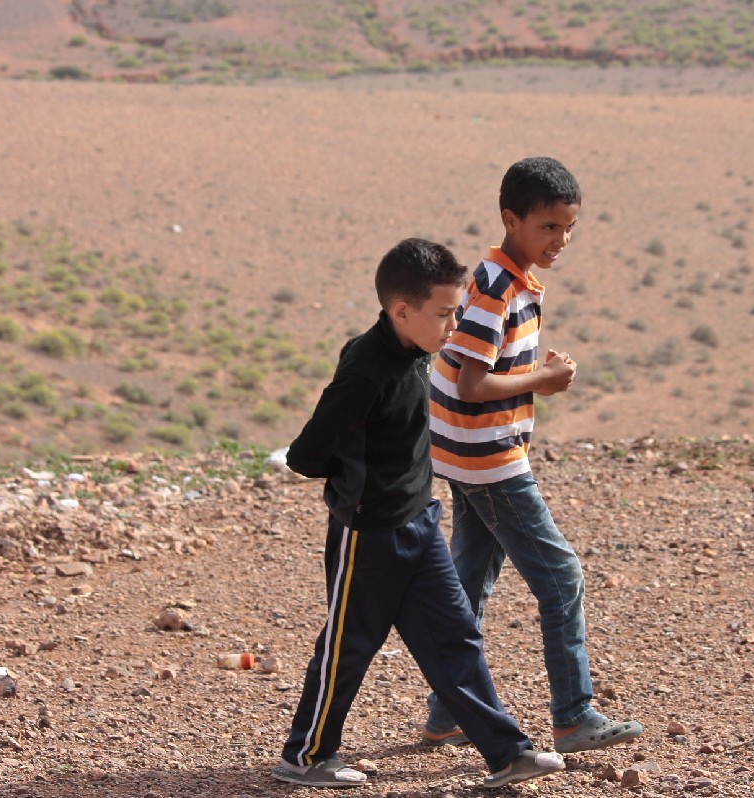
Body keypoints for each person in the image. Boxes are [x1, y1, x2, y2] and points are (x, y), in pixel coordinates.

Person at [273, 238, 565, 790]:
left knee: (456, 636)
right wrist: (359, 483)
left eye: (456, 310)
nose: (455, 325)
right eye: (444, 313)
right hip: (369, 534)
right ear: (401, 310)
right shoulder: (366, 369)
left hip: (420, 523)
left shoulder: (416, 348)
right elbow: (305, 455)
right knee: (347, 648)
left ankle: (508, 753)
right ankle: (305, 757)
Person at [424, 157, 644, 754]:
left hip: (466, 451)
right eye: (548, 227)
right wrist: (541, 381)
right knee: (561, 577)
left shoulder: (503, 277)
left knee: (471, 580)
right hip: (487, 457)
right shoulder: (498, 288)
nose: (560, 240)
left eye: (569, 228)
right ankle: (573, 717)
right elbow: (472, 383)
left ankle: (448, 713)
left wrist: (533, 376)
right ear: (510, 220)